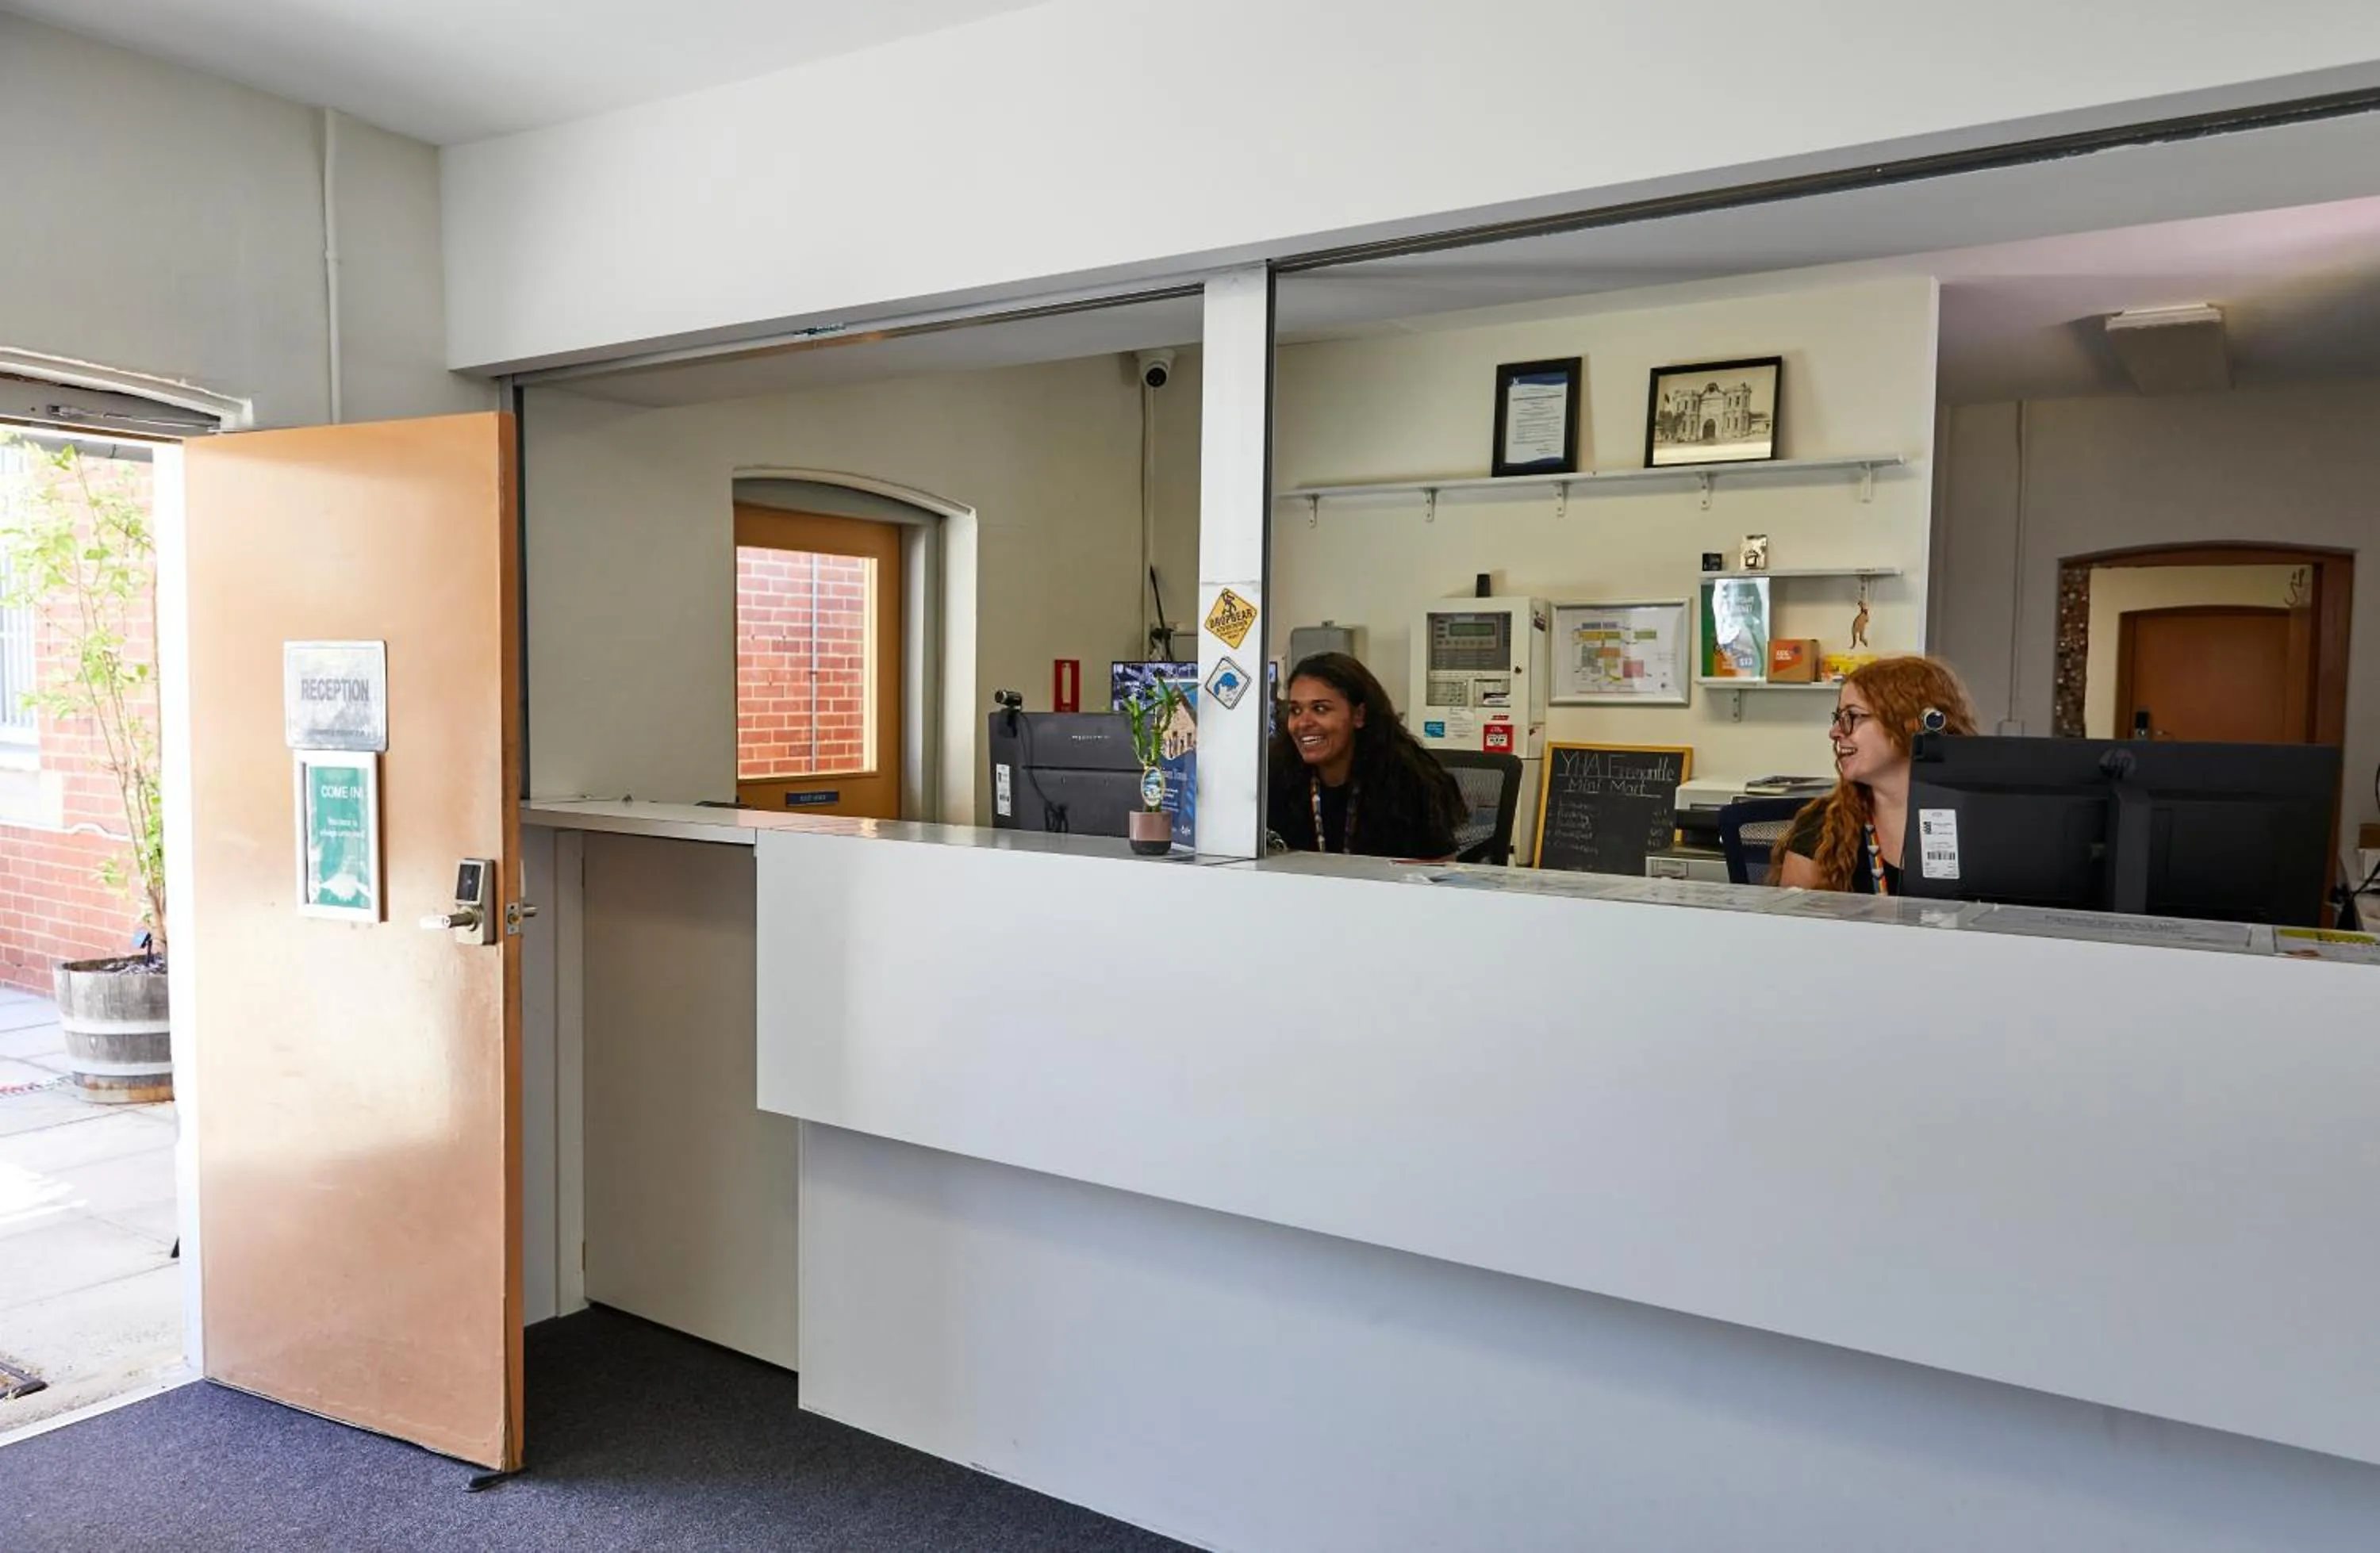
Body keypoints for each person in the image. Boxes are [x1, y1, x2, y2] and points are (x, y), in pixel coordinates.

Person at [1775, 655, 1979, 895]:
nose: (1835, 732)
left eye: (1853, 716)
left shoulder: (1983, 822)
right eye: (1838, 718)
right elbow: (1791, 929)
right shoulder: (1824, 828)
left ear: (1910, 723)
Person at [1268, 652, 1466, 860]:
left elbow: (1438, 871)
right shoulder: (1276, 776)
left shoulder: (1409, 779)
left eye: (1320, 709)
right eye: (1296, 710)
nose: (1303, 723)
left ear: (1359, 715)